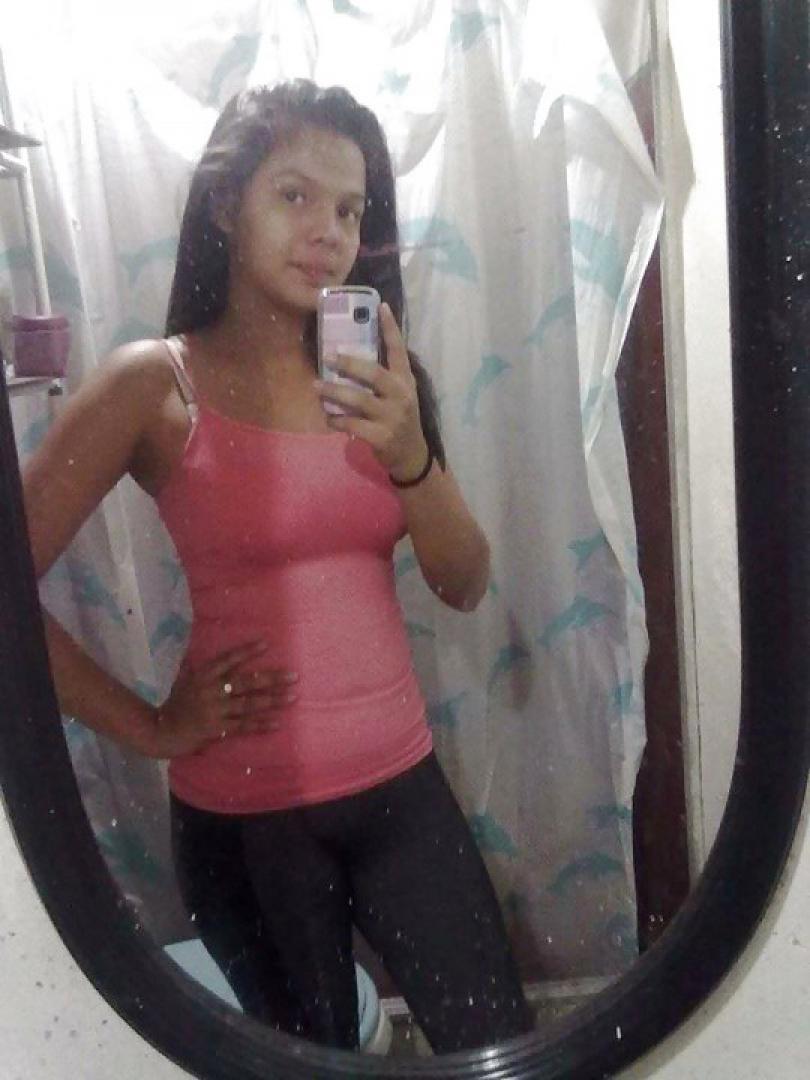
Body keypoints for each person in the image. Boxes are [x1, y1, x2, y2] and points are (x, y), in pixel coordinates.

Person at [22, 80, 534, 1053]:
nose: (327, 231)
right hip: (247, 821)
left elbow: (463, 583)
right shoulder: (154, 383)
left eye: (349, 209)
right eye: (294, 195)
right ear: (227, 204)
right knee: (309, 1067)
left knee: (497, 1044)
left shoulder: (380, 381)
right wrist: (152, 725)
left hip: (401, 789)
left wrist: (410, 453)